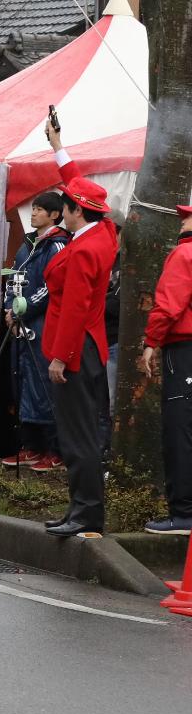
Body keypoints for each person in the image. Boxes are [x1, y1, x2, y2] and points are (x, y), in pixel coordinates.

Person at [39, 118, 120, 538]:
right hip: (88, 346)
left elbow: (74, 308)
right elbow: (78, 183)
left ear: (74, 212)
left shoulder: (85, 249)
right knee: (79, 432)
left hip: (75, 347)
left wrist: (60, 357)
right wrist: (58, 146)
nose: (60, 209)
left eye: (64, 205)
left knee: (78, 436)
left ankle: (86, 513)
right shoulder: (103, 230)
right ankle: (80, 509)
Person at [140, 199, 192, 534]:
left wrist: (150, 342)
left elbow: (169, 304)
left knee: (180, 429)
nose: (181, 222)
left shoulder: (184, 254)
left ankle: (183, 512)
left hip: (184, 349)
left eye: (185, 218)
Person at [7, 192, 67, 472]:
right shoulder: (29, 243)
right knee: (22, 381)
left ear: (55, 215)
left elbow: (50, 287)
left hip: (43, 323)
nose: (33, 213)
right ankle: (30, 446)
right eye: (33, 208)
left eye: (40, 209)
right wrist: (9, 309)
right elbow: (15, 278)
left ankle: (54, 449)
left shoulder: (56, 245)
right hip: (21, 323)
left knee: (44, 385)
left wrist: (23, 309)